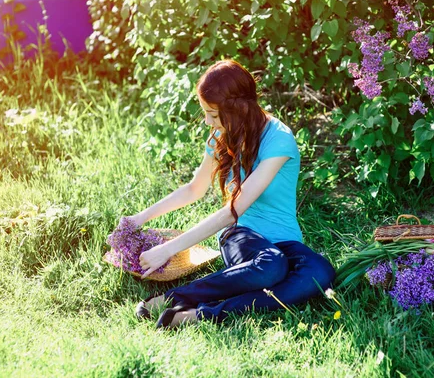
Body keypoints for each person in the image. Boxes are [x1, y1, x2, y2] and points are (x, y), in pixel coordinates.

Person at [128, 60, 336, 328]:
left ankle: (196, 315)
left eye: (213, 114)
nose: (207, 122)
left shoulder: (279, 139)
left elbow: (233, 208)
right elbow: (194, 189)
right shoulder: (222, 136)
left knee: (320, 273)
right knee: (272, 266)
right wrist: (139, 219)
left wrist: (168, 249)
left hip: (285, 240)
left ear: (238, 109)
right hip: (240, 235)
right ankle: (169, 299)